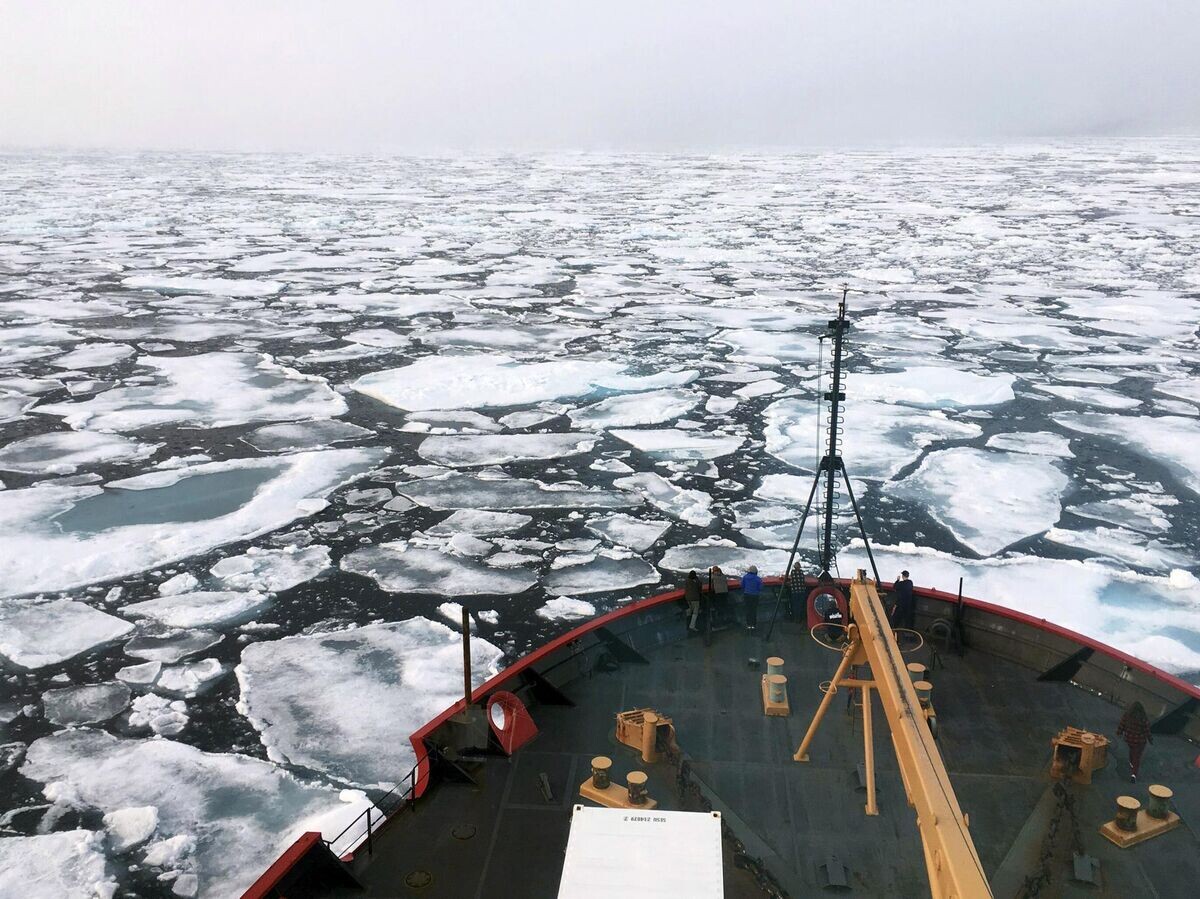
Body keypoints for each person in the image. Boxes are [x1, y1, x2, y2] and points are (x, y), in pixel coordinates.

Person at [1117, 701, 1153, 782]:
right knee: (1137, 757)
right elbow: (1147, 731)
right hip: (1140, 741)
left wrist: (1119, 732)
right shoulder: (1143, 718)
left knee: (1132, 751)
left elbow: (1122, 724)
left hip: (1129, 739)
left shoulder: (1127, 716)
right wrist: (1150, 739)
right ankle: (1133, 774)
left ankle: (1131, 762)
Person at [741, 565, 763, 631]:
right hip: (755, 596)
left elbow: (742, 586)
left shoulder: (745, 577)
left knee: (748, 610)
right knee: (753, 610)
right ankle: (753, 625)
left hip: (747, 595)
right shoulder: (758, 578)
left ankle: (748, 625)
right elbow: (760, 588)